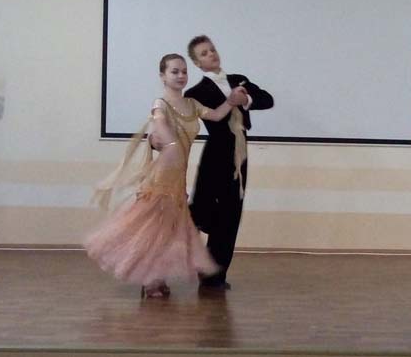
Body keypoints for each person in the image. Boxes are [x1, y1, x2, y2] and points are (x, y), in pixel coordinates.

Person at [84, 53, 246, 298]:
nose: (181, 76)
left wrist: (232, 101)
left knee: (168, 231)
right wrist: (168, 143)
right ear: (163, 76)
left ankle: (157, 277)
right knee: (156, 230)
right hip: (161, 178)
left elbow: (214, 115)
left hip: (178, 179)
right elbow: (159, 123)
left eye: (184, 71)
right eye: (174, 71)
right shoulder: (160, 104)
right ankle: (151, 280)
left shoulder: (191, 104)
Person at [184, 35, 274, 290]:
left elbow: (267, 99)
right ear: (197, 63)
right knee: (201, 210)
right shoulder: (195, 93)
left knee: (231, 214)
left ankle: (214, 276)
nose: (211, 54)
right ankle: (171, 259)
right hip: (216, 153)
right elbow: (187, 121)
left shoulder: (238, 80)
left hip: (239, 154)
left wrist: (246, 100)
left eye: (212, 49)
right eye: (204, 53)